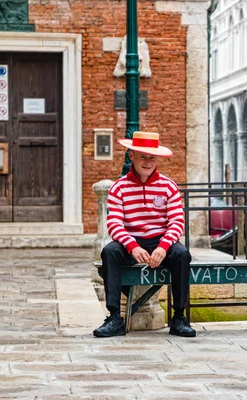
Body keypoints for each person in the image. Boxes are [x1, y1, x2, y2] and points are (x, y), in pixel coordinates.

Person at [93, 131, 195, 338]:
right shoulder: (119, 187)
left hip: (161, 242)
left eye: (152, 157)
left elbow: (176, 222)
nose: (148, 162)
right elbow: (114, 224)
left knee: (182, 254)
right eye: (143, 157)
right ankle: (114, 318)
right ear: (132, 156)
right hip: (131, 242)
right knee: (109, 252)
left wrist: (163, 247)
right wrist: (132, 246)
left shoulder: (169, 186)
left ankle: (178, 317)